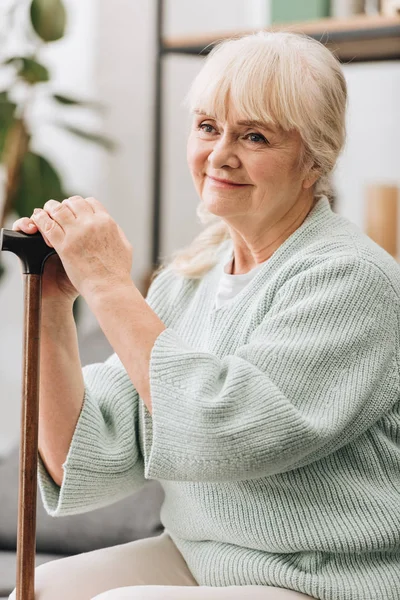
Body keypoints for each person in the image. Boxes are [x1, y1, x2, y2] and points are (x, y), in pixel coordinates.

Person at [9, 30, 400, 600]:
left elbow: (221, 434)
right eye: (208, 127)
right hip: (204, 558)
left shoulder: (350, 281)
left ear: (314, 160)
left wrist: (111, 286)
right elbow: (83, 458)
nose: (219, 154)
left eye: (255, 135)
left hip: (325, 578)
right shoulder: (190, 277)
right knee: (40, 591)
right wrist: (51, 308)